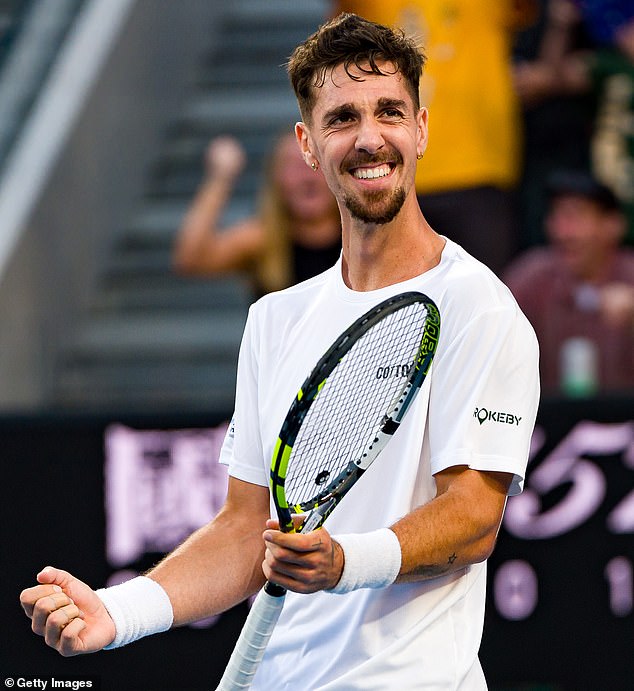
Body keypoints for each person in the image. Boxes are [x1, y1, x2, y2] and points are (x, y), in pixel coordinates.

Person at [20, 13, 540, 689]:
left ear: (422, 130)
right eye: (342, 118)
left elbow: (473, 517)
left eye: (390, 111)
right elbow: (245, 529)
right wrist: (117, 611)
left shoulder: (482, 306)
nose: (370, 136)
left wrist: (342, 561)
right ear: (307, 144)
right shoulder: (274, 319)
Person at [331, 0, 540, 275]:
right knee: (397, 303)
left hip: (476, 172)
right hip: (391, 172)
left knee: (481, 300)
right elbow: (339, 40)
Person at [503, 168, 634, 395]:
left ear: (612, 225)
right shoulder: (532, 277)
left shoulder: (629, 274)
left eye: (576, 217)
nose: (563, 232)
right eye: (557, 217)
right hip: (548, 422)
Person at [172, 130, 342, 297]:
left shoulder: (363, 239)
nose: (307, 177)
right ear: (276, 178)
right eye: (293, 165)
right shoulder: (263, 240)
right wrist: (220, 177)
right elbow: (191, 259)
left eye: (315, 162)